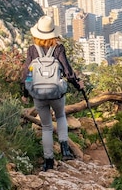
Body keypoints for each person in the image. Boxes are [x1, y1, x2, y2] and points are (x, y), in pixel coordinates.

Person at [21, 15, 85, 171]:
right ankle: (65, 149)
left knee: (47, 127)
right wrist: (79, 85)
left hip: (39, 95)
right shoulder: (58, 49)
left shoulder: (31, 50)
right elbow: (68, 72)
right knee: (61, 116)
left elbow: (26, 74)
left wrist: (24, 93)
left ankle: (48, 161)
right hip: (56, 94)